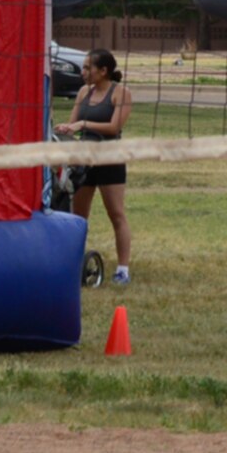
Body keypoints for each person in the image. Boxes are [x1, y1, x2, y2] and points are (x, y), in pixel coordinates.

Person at [54, 49, 132, 284]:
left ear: (103, 71)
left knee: (116, 213)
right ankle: (75, 263)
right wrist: (66, 129)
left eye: (88, 68)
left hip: (110, 159)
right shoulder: (83, 92)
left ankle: (123, 270)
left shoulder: (120, 93)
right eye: (84, 67)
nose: (83, 72)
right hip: (84, 161)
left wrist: (82, 124)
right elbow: (73, 125)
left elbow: (114, 127)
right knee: (78, 217)